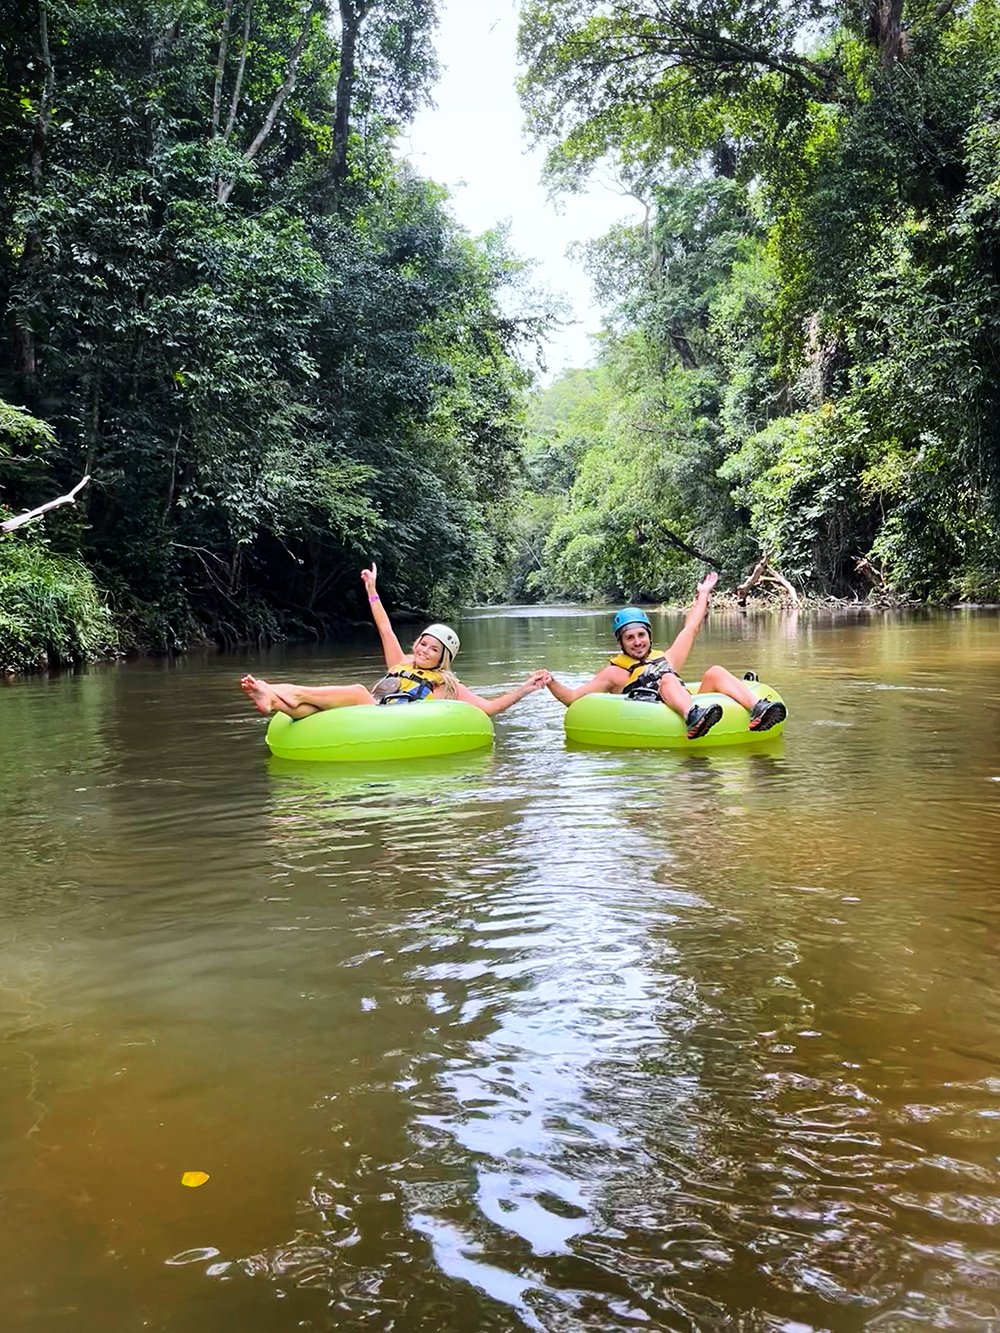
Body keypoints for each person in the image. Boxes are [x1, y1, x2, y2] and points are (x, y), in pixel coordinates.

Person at [241, 565, 549, 719]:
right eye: (423, 643)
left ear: (444, 658)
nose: (424, 651)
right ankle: (276, 700)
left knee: (358, 690)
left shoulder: (448, 685)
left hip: (394, 719)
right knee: (308, 711)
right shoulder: (401, 662)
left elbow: (489, 708)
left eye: (434, 649)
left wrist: (525, 688)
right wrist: (372, 589)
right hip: (373, 712)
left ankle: (278, 691)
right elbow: (385, 627)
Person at [543, 571, 787, 740]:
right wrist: (552, 682)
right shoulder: (613, 673)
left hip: (683, 702)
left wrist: (703, 593)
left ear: (649, 636)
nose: (637, 642)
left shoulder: (665, 658)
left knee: (715, 671)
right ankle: (692, 716)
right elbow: (574, 698)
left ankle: (757, 708)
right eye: (630, 638)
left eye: (641, 635)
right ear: (621, 642)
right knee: (667, 678)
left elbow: (692, 626)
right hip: (650, 712)